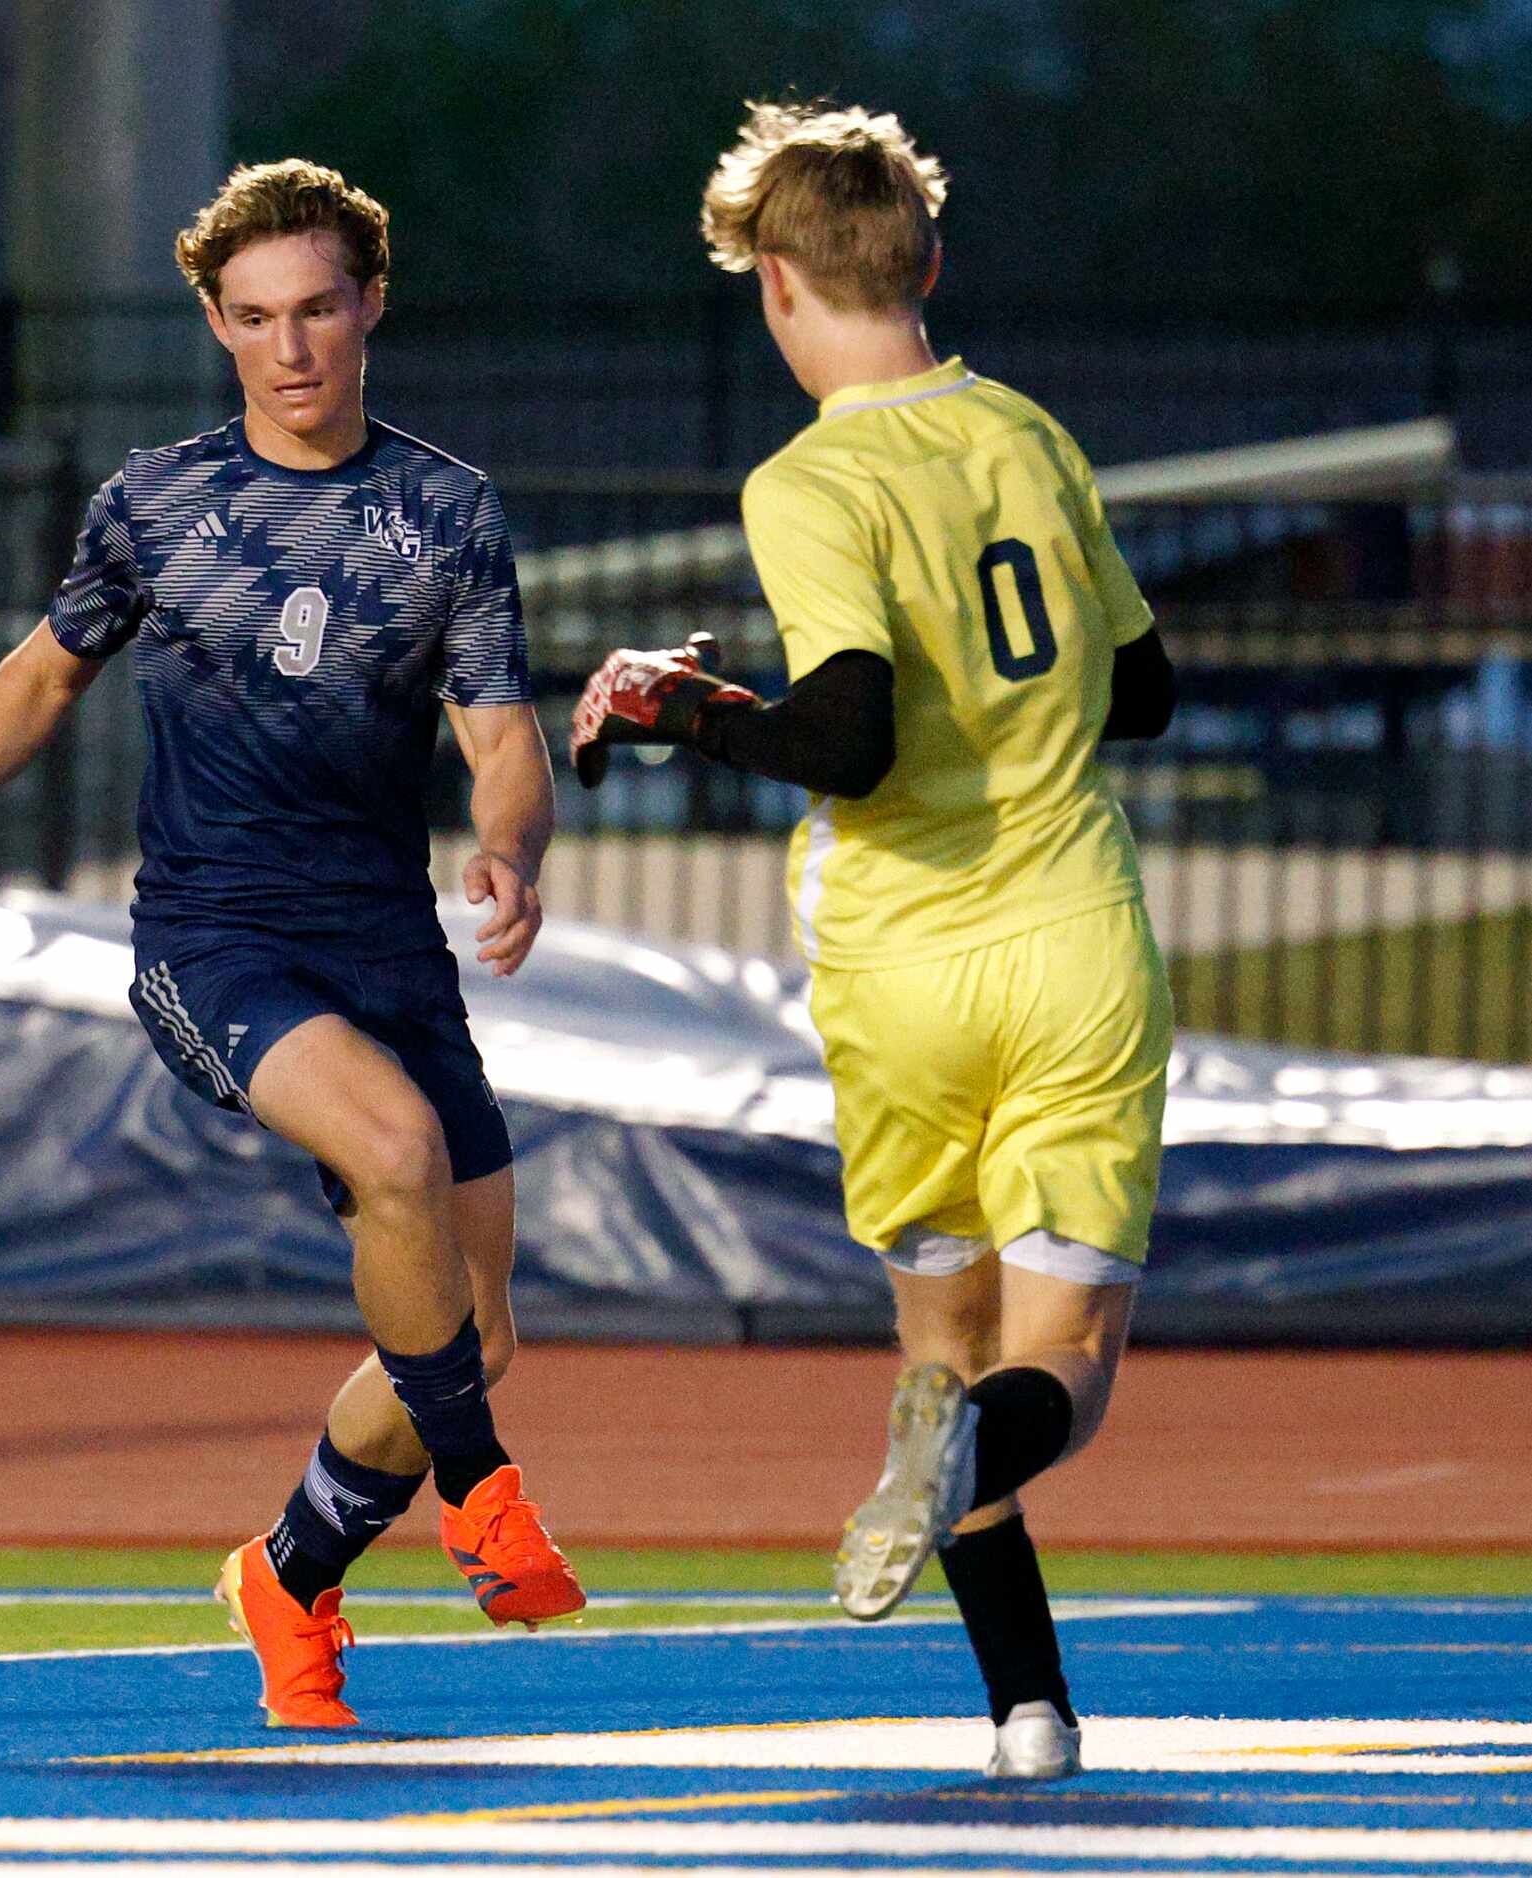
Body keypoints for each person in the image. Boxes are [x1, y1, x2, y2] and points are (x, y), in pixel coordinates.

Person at [0, 160, 583, 1732]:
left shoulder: (444, 510)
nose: (292, 346)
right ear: (216, 326)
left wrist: (510, 847)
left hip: (386, 941)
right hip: (214, 940)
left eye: (318, 309)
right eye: (255, 319)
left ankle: (291, 1573)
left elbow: (502, 732)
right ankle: (481, 1496)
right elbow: (44, 676)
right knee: (391, 1152)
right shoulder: (154, 502)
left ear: (369, 303)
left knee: (474, 1326)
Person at [569, 102, 1180, 1781]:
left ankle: (1027, 1713)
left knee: (941, 1354)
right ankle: (1000, 1566)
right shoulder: (1029, 433)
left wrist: (686, 710)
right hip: (1069, 943)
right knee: (1058, 1374)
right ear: (926, 260)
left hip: (897, 966)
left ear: (772, 280)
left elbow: (843, 738)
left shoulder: (810, 475)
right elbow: (1142, 688)